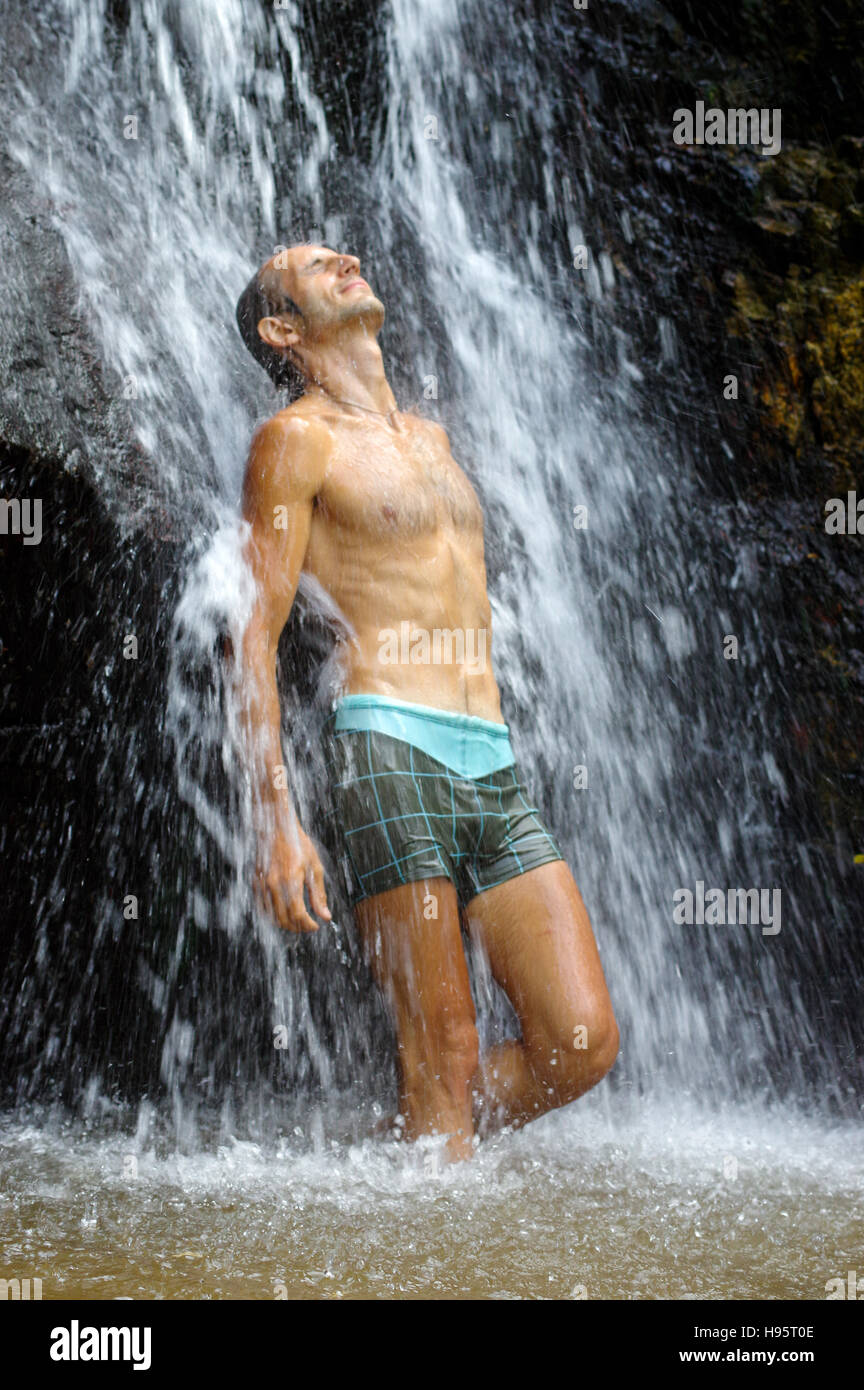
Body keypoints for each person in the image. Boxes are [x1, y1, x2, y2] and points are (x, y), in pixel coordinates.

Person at [234, 243, 619, 1161]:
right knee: (444, 1053)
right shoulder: (294, 442)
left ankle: (399, 1147)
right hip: (389, 752)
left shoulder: (433, 442)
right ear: (282, 329)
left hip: (492, 759)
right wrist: (275, 820)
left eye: (342, 253)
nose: (347, 259)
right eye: (317, 264)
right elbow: (251, 634)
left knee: (582, 1042)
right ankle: (430, 1155)